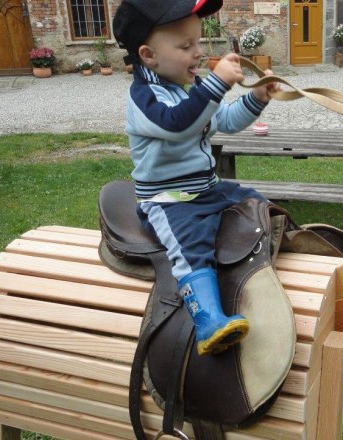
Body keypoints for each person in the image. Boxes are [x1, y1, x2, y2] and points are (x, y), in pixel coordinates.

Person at [113, 0, 281, 355]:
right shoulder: (145, 98)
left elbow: (223, 121)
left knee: (253, 201)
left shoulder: (189, 88)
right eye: (185, 46)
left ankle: (276, 254)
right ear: (148, 55)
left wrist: (256, 96)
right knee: (190, 246)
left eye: (198, 42)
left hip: (205, 188)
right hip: (169, 200)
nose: (198, 52)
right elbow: (178, 125)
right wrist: (216, 84)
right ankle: (208, 321)